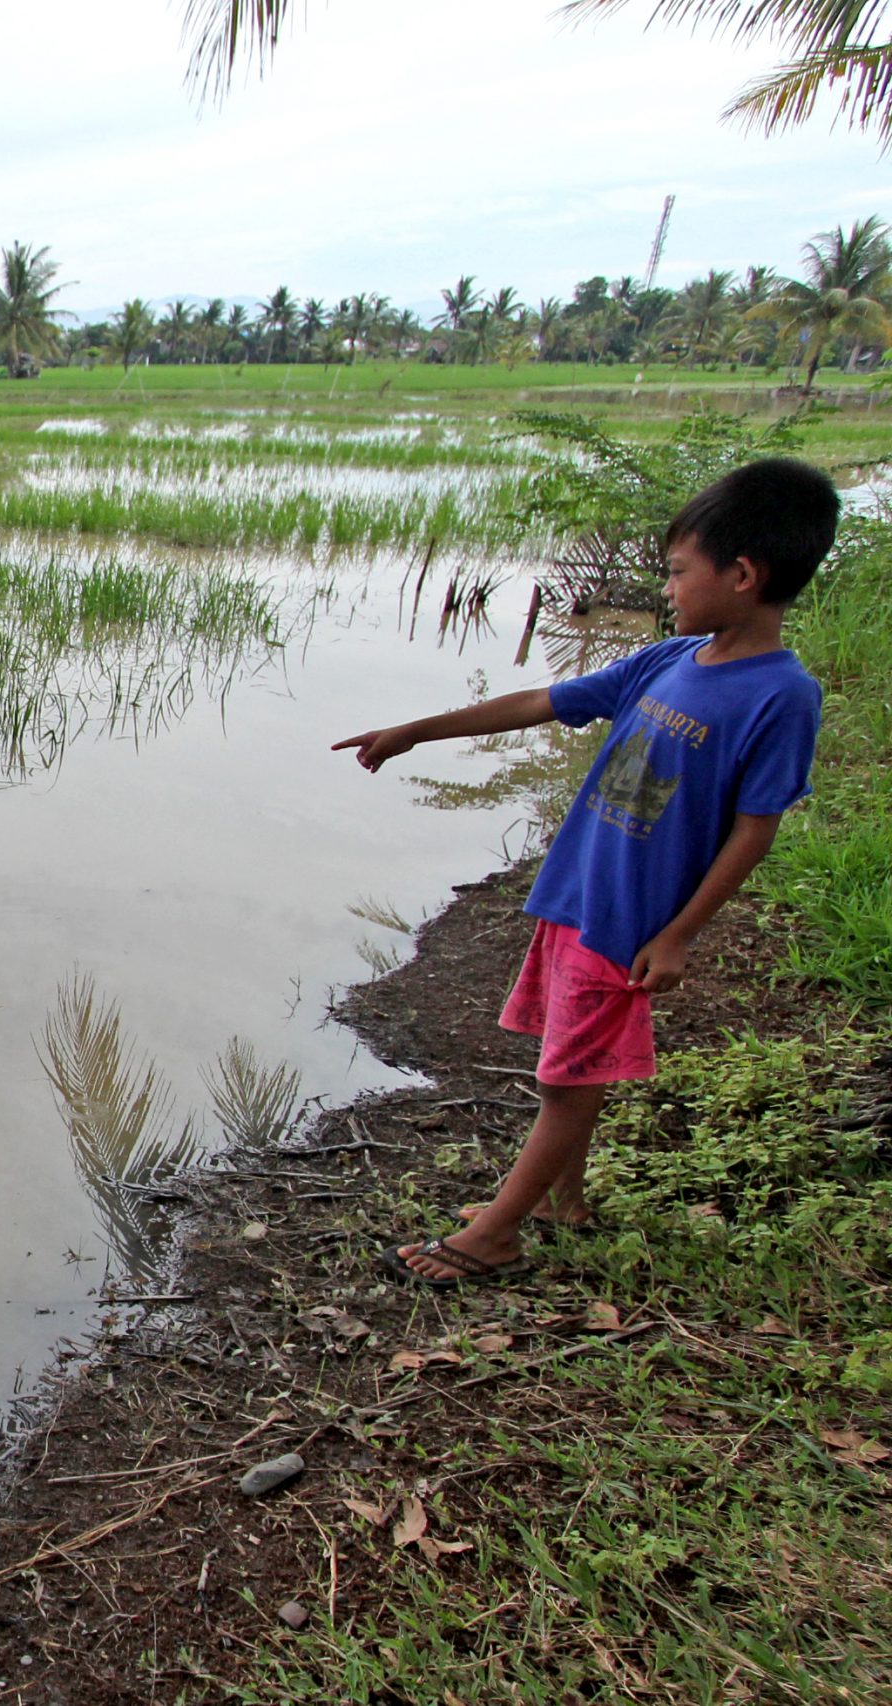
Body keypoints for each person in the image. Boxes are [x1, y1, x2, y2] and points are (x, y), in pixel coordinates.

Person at [336, 457, 838, 1287]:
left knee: (570, 1080)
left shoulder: (781, 696)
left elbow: (756, 829)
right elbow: (543, 702)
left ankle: (494, 1234)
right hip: (580, 893)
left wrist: (678, 935)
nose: (668, 587)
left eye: (679, 571)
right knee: (569, 1062)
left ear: (743, 574)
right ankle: (555, 1201)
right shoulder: (668, 660)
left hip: (632, 918)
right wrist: (414, 730)